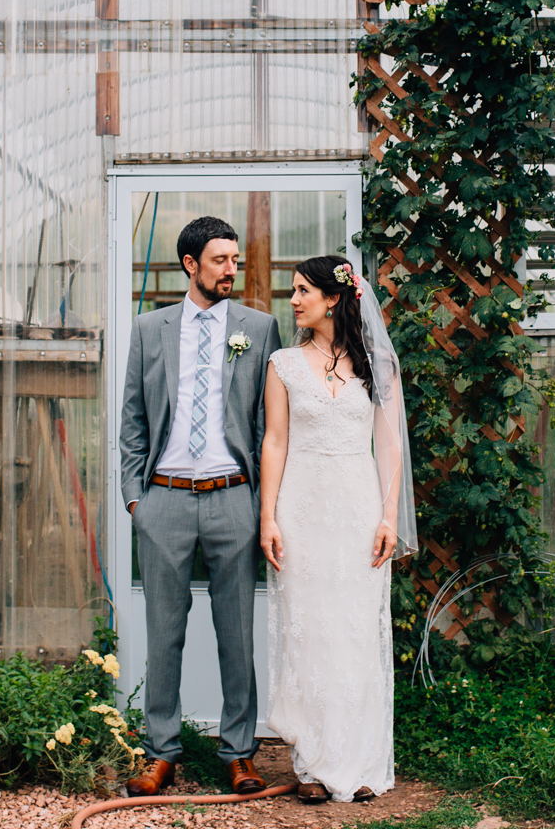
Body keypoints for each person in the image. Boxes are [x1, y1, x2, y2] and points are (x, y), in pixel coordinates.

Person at [118, 216, 283, 797]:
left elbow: (268, 425)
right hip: (162, 500)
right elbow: (133, 419)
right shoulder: (149, 328)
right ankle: (161, 752)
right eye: (220, 260)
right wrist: (136, 498)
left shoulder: (259, 328)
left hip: (232, 497)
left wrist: (263, 504)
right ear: (191, 264)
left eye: (235, 260)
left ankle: (239, 754)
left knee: (236, 632)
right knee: (164, 633)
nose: (231, 270)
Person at [259, 255, 416, 803]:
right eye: (294, 291)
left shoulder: (378, 365)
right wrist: (269, 516)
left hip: (356, 508)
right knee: (309, 628)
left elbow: (390, 445)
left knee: (354, 630)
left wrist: (389, 516)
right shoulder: (282, 364)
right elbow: (274, 442)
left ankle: (362, 760)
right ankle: (312, 764)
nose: (294, 300)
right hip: (301, 509)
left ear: (333, 299)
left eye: (303, 291)